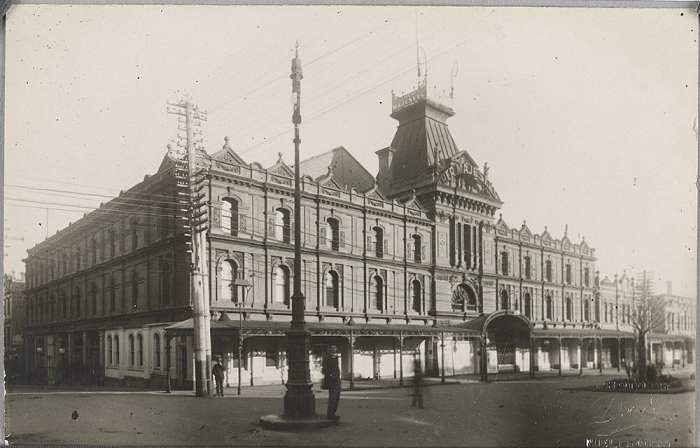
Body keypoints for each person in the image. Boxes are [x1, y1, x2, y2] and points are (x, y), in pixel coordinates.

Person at [322, 345, 341, 421]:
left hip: (337, 380)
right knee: (333, 398)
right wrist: (331, 375)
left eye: (335, 348)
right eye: (332, 348)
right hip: (331, 381)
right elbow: (324, 370)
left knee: (336, 398)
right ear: (329, 350)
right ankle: (330, 414)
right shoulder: (327, 358)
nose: (334, 350)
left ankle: (332, 413)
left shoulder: (336, 358)